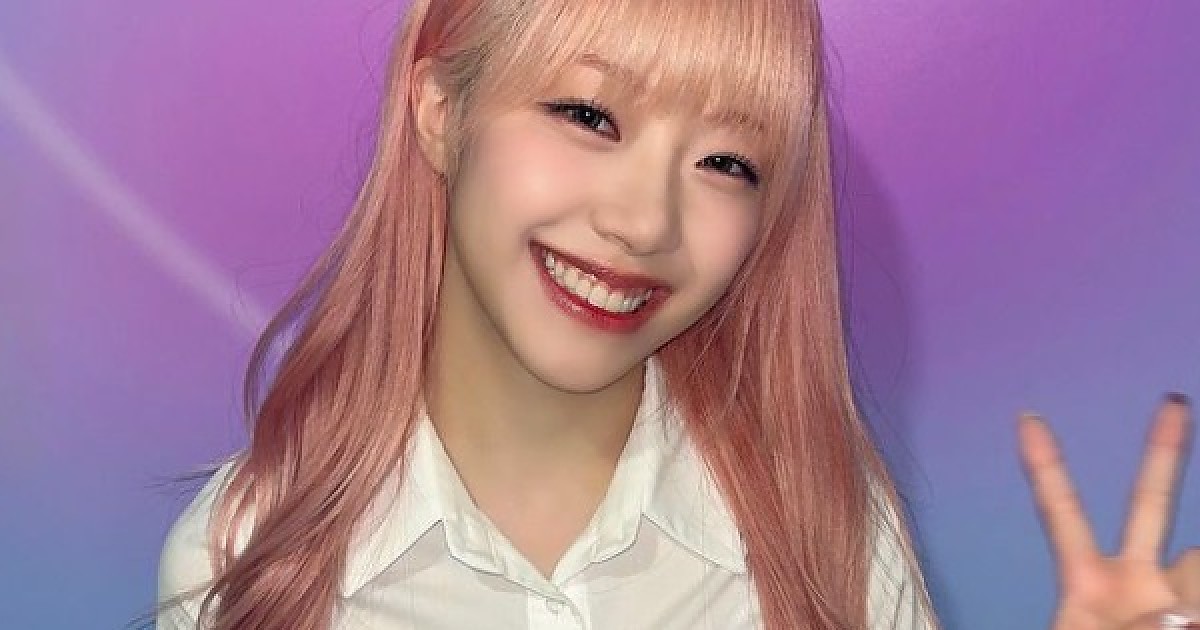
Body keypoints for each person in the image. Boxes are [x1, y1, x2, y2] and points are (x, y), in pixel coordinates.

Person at [156, 0, 1198, 628]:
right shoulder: (244, 558)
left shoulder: (823, 529)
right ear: (439, 109)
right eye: (588, 114)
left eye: (726, 162)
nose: (645, 221)